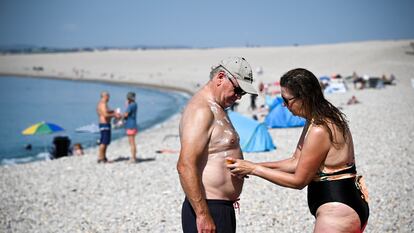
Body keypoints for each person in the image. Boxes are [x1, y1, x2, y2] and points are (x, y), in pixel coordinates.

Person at [227, 68, 369, 232]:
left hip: (338, 210)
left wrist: (254, 169)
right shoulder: (318, 117)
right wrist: (253, 165)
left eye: (287, 100)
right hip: (342, 202)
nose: (283, 105)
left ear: (305, 97)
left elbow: (298, 181)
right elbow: (295, 161)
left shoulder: (320, 128)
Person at [177, 57, 258, 233]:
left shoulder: (217, 106)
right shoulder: (201, 110)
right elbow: (185, 165)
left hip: (220, 207)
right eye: (237, 90)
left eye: (242, 94)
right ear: (220, 77)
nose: (238, 97)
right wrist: (202, 214)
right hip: (209, 207)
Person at [96, 91, 120, 163]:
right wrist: (114, 115)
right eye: (108, 96)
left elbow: (106, 112)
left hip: (104, 124)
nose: (109, 98)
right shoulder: (103, 104)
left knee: (105, 141)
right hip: (104, 124)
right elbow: (105, 115)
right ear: (104, 96)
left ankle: (103, 157)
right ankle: (101, 158)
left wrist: (113, 111)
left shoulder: (101, 104)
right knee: (104, 142)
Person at [123, 92, 138, 162]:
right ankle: (134, 157)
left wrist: (126, 106)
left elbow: (125, 115)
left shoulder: (130, 106)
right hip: (133, 125)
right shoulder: (135, 104)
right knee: (132, 142)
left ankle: (133, 157)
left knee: (131, 142)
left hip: (130, 125)